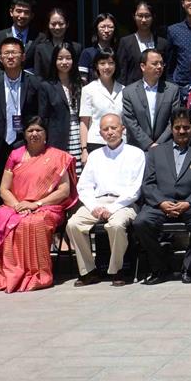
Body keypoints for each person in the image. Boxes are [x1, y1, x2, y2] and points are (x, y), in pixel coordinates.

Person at [0, 115, 78, 293]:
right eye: (30, 130)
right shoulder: (15, 155)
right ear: (24, 134)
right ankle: (2, 276)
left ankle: (37, 274)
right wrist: (18, 205)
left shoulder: (58, 157)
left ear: (46, 133)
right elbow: (4, 189)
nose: (34, 134)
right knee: (0, 220)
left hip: (48, 206)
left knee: (33, 223)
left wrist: (37, 204)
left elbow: (63, 191)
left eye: (39, 130)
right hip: (16, 205)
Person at [134, 107, 191, 284]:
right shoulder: (156, 152)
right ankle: (160, 267)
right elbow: (148, 183)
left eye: (186, 127)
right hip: (161, 204)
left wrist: (189, 203)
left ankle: (189, 268)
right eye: (177, 127)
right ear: (171, 128)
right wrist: (161, 202)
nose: (182, 131)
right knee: (141, 222)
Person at [65, 114, 142, 287]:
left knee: (115, 225)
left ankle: (117, 270)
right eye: (105, 129)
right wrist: (94, 207)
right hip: (97, 203)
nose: (110, 132)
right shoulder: (95, 155)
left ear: (122, 129)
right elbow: (84, 187)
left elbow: (134, 189)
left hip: (124, 203)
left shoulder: (135, 154)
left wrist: (113, 208)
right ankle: (89, 271)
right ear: (100, 133)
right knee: (73, 224)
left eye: (114, 128)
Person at [0, 37, 43, 185]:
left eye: (14, 53)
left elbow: (41, 115)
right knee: (0, 188)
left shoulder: (35, 83)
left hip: (26, 143)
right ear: (0, 58)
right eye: (6, 54)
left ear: (23, 56)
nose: (10, 57)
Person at [121, 49, 179, 151]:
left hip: (164, 148)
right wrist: (148, 144)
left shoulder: (172, 90)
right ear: (143, 66)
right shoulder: (129, 92)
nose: (159, 67)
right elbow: (130, 122)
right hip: (137, 149)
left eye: (161, 63)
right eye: (155, 64)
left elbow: (174, 120)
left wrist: (158, 144)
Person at [38, 41, 83, 170]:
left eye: (68, 58)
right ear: (54, 61)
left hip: (78, 137)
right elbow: (43, 117)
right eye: (60, 58)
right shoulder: (46, 86)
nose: (64, 62)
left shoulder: (80, 84)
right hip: (57, 138)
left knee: (78, 176)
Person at [79, 51, 124, 156]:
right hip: (96, 142)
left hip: (120, 141)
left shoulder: (124, 90)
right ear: (96, 66)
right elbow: (84, 121)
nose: (107, 67)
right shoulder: (88, 89)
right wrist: (84, 149)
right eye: (102, 63)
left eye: (111, 63)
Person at [115, 0, 169, 85]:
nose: (143, 20)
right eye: (140, 16)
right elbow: (121, 72)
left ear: (153, 17)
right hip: (132, 92)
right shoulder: (125, 42)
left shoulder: (162, 43)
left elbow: (167, 71)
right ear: (134, 17)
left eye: (147, 16)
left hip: (158, 91)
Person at [30, 7, 81, 79]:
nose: (57, 27)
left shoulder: (76, 48)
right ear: (48, 25)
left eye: (61, 24)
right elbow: (38, 76)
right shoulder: (41, 48)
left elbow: (78, 74)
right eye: (53, 24)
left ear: (67, 24)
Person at [0, 0, 36, 67]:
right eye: (18, 11)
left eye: (26, 12)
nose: (22, 15)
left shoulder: (40, 38)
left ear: (32, 15)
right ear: (11, 12)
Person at [77, 13, 117, 80]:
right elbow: (83, 79)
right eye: (102, 27)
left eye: (110, 27)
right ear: (96, 29)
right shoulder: (87, 53)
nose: (106, 30)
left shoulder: (119, 51)